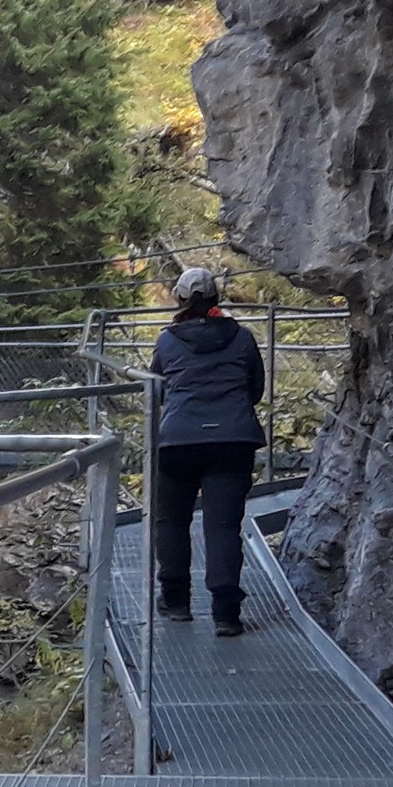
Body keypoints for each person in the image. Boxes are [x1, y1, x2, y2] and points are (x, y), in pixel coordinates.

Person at [150, 267, 265, 637]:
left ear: (179, 300)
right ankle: (226, 614)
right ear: (216, 299)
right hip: (233, 441)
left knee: (171, 520)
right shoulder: (243, 337)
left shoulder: (167, 341)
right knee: (223, 526)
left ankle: (176, 601)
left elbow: (158, 388)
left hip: (179, 440)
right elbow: (255, 389)